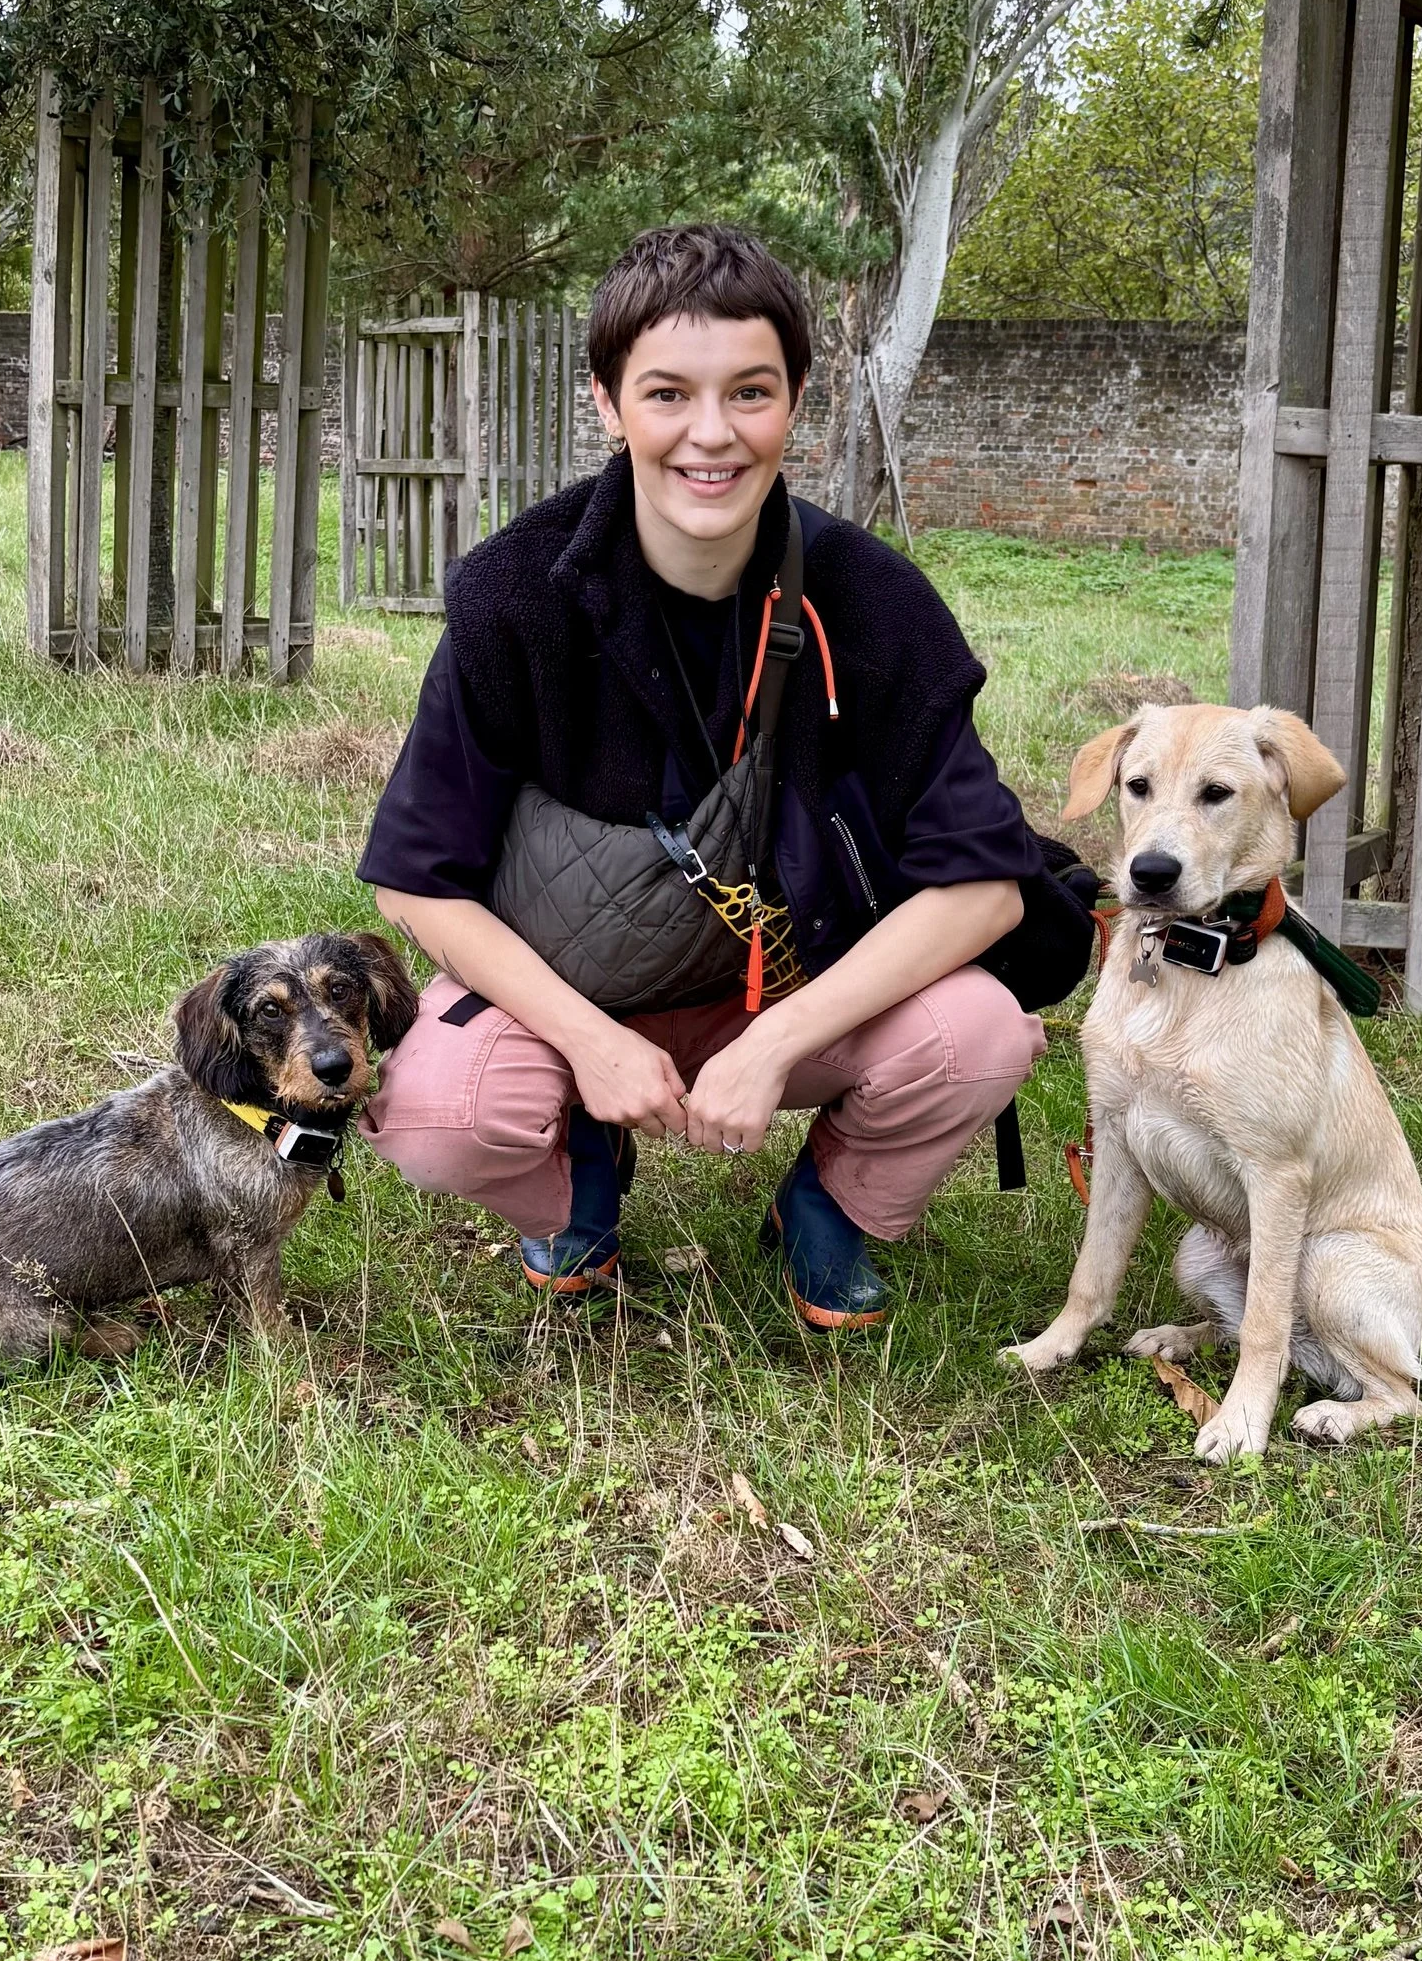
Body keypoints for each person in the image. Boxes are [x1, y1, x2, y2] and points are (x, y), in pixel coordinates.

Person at [356, 224, 1048, 1330]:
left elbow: (985, 885)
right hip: (575, 999)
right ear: (606, 401)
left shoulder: (874, 603)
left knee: (980, 1032)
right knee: (440, 1113)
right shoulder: (512, 596)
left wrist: (773, 1043)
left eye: (751, 393)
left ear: (797, 399)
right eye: (668, 394)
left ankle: (831, 1205)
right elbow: (415, 880)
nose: (710, 436)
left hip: (798, 993)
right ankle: (578, 1180)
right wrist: (589, 1040)